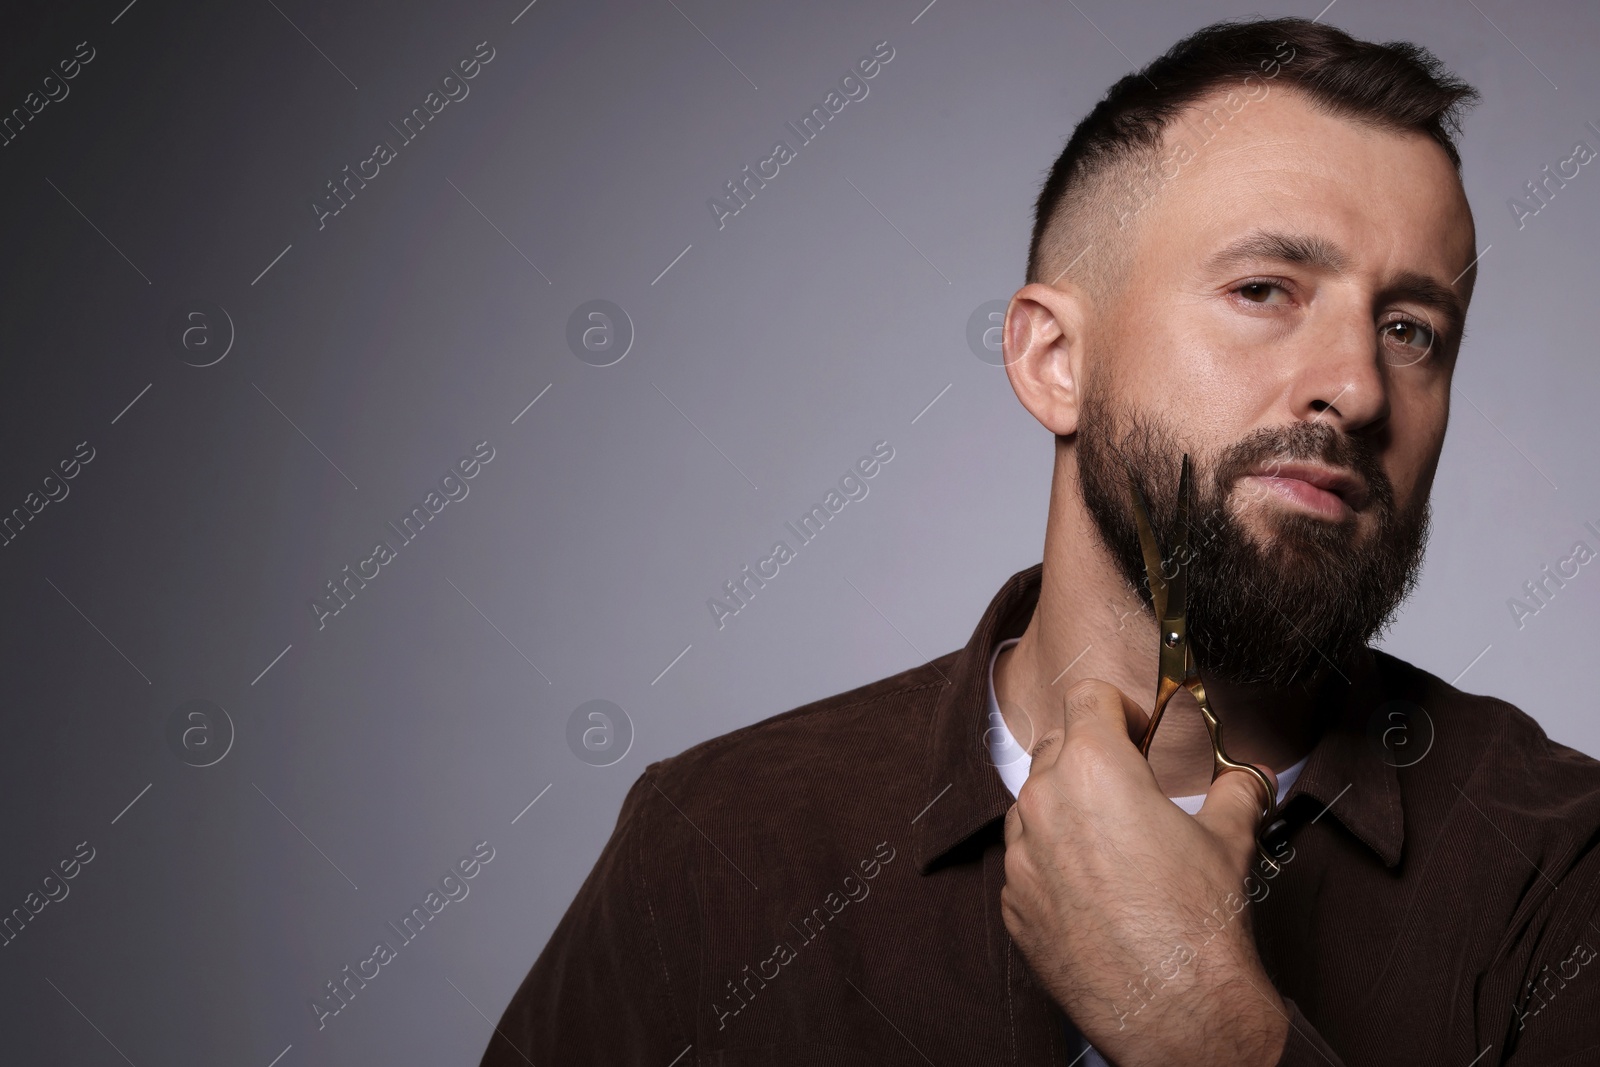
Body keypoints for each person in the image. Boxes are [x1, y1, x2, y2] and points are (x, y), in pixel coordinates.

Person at [482, 17, 1600, 1065]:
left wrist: (1202, 1025)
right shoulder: (721, 845)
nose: (1356, 386)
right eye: (1265, 289)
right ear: (1052, 360)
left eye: (1412, 331)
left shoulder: (1558, 872)